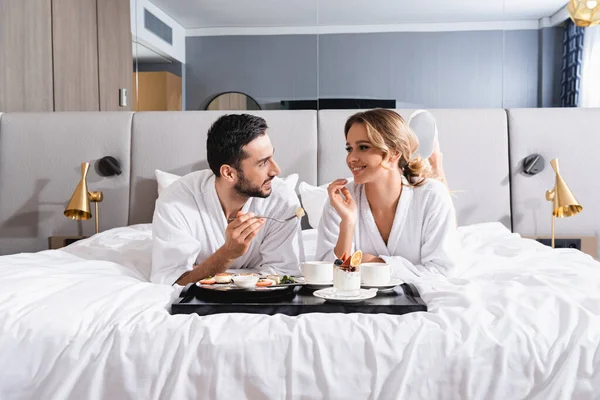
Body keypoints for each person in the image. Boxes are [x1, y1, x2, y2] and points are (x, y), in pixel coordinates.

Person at [151, 114, 304, 285]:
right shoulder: (175, 201)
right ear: (229, 173)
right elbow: (173, 281)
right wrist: (228, 253)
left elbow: (285, 275)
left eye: (272, 157)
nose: (276, 170)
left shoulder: (282, 201)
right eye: (263, 163)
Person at [315, 109, 459, 280]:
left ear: (395, 152)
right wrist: (348, 222)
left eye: (363, 147)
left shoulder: (432, 196)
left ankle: (436, 163)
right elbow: (326, 273)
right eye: (349, 149)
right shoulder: (341, 200)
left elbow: (442, 271)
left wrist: (376, 264)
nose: (351, 158)